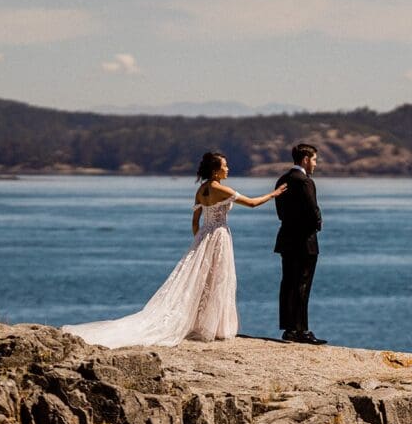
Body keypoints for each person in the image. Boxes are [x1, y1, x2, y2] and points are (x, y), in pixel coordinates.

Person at [61, 152, 286, 348]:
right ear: (216, 171)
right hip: (219, 237)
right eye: (224, 166)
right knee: (217, 279)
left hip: (205, 236)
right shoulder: (221, 189)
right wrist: (273, 195)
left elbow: (195, 219)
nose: (228, 168)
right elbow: (253, 203)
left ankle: (205, 323)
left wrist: (199, 240)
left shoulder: (202, 190)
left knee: (203, 279)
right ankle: (212, 326)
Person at [274, 143, 327, 345]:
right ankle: (302, 330)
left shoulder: (283, 179)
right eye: (314, 159)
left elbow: (280, 212)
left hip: (286, 238)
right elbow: (313, 211)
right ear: (305, 159)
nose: (315, 164)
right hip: (304, 241)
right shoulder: (305, 181)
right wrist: (317, 225)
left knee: (288, 284)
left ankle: (289, 329)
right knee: (302, 285)